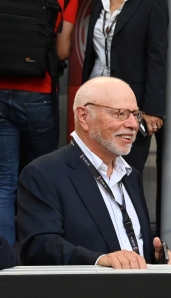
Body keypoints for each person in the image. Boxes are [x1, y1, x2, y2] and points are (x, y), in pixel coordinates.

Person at [17, 77, 171, 268]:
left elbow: (125, 232)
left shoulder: (131, 175)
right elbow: (39, 248)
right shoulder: (43, 173)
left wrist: (154, 253)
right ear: (84, 116)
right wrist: (99, 261)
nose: (133, 124)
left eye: (136, 114)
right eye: (120, 114)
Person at [82, 0, 169, 235]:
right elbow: (94, 54)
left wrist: (151, 107)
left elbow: (157, 55)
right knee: (91, 170)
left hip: (132, 103)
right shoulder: (98, 3)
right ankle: (98, 238)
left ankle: (134, 240)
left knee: (127, 174)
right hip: (95, 98)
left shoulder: (152, 4)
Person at [0, 0, 78, 247]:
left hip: (0, 92)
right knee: (40, 177)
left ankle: (5, 259)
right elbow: (63, 51)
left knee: (4, 181)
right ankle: (36, 254)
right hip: (38, 94)